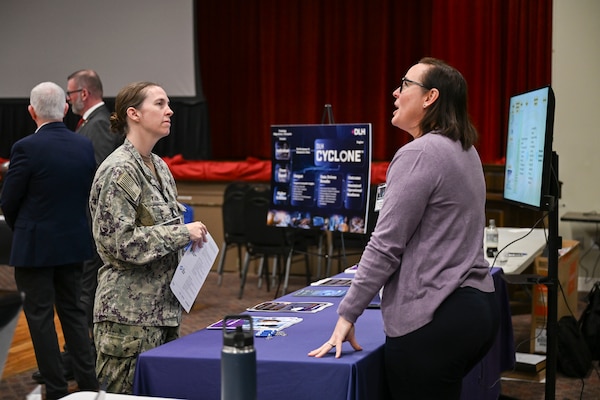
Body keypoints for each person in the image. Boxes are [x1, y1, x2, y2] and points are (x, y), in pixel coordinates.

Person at [308, 57, 500, 399]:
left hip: (436, 317)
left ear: (430, 98)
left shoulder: (420, 153)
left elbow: (385, 246)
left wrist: (347, 314)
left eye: (405, 85)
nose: (395, 93)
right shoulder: (465, 149)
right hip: (476, 310)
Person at [89, 81, 208, 394]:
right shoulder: (119, 170)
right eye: (159, 103)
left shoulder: (159, 166)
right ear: (134, 114)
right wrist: (182, 233)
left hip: (164, 311)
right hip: (128, 316)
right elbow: (118, 243)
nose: (169, 110)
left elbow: (163, 227)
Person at [0, 82, 99, 399]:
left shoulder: (25, 148)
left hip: (35, 249)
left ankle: (56, 390)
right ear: (66, 109)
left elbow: (9, 200)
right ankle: (89, 385)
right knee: (73, 315)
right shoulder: (84, 147)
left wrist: (24, 230)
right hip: (73, 247)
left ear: (31, 112)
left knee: (40, 321)